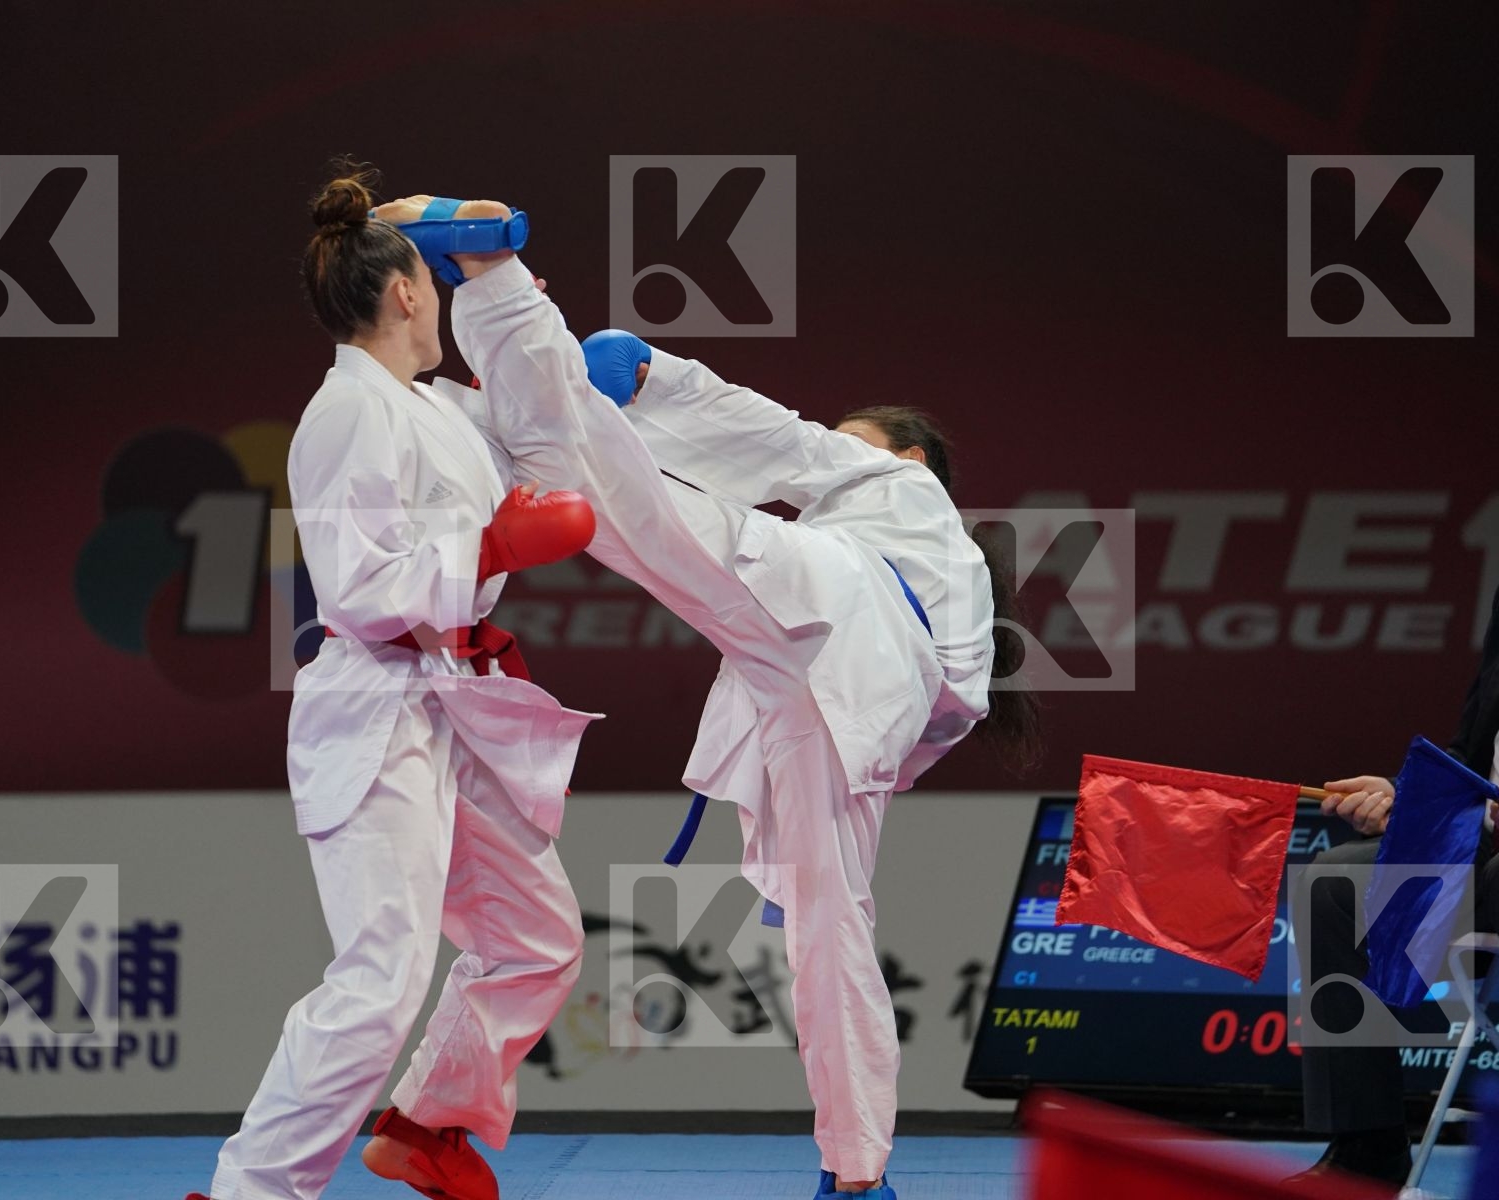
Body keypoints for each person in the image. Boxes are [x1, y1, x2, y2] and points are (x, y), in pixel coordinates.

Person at [370, 192, 1039, 1199]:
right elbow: (791, 465)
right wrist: (645, 382)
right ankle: (856, 1175)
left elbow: (782, 441)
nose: (835, 448)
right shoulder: (945, 603)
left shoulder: (904, 495)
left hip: (828, 625)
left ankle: (495, 279)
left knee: (606, 490)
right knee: (834, 934)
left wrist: (652, 377)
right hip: (831, 708)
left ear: (908, 458)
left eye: (858, 440)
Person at [188, 163, 600, 1200]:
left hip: (452, 701)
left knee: (537, 941)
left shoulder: (436, 408)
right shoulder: (346, 409)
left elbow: (542, 452)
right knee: (379, 983)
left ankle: (427, 1126)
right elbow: (361, 587)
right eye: (439, 280)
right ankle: (249, 1194)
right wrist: (493, 541)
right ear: (409, 293)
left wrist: (508, 284)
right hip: (375, 702)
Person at [1299, 394, 1499, 1185]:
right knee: (1333, 883)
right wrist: (1410, 797)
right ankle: (1362, 1152)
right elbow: (1477, 752)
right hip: (1493, 850)